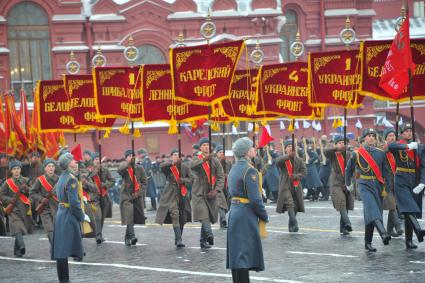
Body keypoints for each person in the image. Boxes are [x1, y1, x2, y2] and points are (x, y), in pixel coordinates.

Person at [226, 137, 268, 283]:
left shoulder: (233, 168)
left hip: (234, 211)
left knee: (236, 254)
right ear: (246, 151)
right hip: (245, 213)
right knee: (243, 254)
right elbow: (256, 199)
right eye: (252, 147)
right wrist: (264, 215)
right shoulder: (250, 171)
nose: (254, 149)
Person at [346, 128, 392, 252]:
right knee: (372, 208)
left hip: (377, 186)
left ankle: (368, 242)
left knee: (371, 213)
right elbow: (349, 169)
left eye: (373, 135)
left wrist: (387, 186)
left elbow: (385, 171)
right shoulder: (357, 153)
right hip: (364, 184)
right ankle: (383, 233)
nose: (371, 137)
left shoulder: (380, 153)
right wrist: (347, 184)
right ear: (364, 138)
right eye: (369, 135)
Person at [388, 123, 425, 249]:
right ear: (402, 133)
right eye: (406, 131)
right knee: (408, 207)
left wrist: (422, 182)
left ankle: (409, 240)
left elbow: (424, 167)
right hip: (401, 179)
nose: (409, 133)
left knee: (412, 209)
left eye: (411, 131)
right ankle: (418, 230)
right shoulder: (399, 145)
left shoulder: (420, 147)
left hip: (415, 180)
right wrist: (408, 146)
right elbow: (391, 146)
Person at [52, 153, 87, 283]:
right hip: (68, 215)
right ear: (67, 164)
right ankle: (65, 280)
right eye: (73, 161)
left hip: (61, 213)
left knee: (61, 250)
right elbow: (73, 202)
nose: (76, 162)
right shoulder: (71, 179)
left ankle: (63, 279)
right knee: (67, 248)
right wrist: (82, 216)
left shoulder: (62, 177)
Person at [191, 137, 225, 249]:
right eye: (204, 144)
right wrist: (205, 160)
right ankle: (210, 235)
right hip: (199, 192)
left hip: (211, 192)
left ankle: (203, 240)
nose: (206, 146)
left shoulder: (215, 160)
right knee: (203, 214)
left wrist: (216, 190)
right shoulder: (196, 157)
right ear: (200, 147)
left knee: (208, 216)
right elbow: (193, 165)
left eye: (207, 144)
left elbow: (221, 177)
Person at [155, 149, 192, 247]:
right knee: (174, 214)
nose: (177, 156)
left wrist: (183, 180)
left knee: (182, 218)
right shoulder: (169, 166)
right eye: (175, 155)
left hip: (182, 194)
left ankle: (178, 238)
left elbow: (192, 179)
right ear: (171, 156)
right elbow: (161, 167)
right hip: (171, 194)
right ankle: (179, 239)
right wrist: (173, 163)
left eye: (178, 155)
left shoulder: (185, 167)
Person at [0, 160, 33, 257]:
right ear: (11, 171)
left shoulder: (26, 181)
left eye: (18, 168)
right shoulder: (7, 183)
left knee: (20, 229)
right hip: (13, 209)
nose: (16, 171)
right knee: (18, 228)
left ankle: (16, 250)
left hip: (24, 209)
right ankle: (22, 246)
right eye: (14, 169)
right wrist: (11, 200)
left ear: (20, 169)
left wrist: (27, 190)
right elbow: (1, 195)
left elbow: (32, 192)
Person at [325, 136, 354, 235]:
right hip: (336, 182)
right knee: (341, 202)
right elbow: (326, 151)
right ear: (336, 144)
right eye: (340, 142)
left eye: (344, 142)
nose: (342, 144)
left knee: (346, 204)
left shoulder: (349, 154)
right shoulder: (333, 154)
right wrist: (337, 149)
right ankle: (348, 223)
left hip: (346, 182)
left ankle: (343, 227)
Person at [275, 140, 307, 232]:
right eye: (288, 146)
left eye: (292, 146)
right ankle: (295, 222)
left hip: (296, 185)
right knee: (290, 203)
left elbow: (304, 172)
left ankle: (291, 224)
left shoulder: (299, 160)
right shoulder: (283, 159)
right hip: (285, 184)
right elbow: (277, 163)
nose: (290, 147)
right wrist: (288, 156)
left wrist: (296, 176)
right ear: (285, 149)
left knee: (295, 205)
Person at [118, 149, 147, 246]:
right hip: (126, 195)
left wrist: (139, 193)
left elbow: (144, 182)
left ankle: (127, 237)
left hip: (137, 196)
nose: (131, 157)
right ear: (126, 158)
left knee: (132, 217)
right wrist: (129, 164)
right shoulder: (124, 167)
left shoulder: (140, 168)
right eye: (129, 156)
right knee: (129, 214)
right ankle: (133, 236)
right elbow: (120, 170)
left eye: (132, 155)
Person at [29, 158, 59, 247]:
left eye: (53, 166)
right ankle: (54, 248)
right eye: (49, 166)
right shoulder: (40, 180)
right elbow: (32, 192)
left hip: (57, 208)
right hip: (45, 209)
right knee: (50, 230)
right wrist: (41, 199)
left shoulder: (59, 179)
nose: (51, 168)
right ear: (45, 168)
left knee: (57, 230)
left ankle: (54, 249)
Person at [381, 128, 403, 237]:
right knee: (392, 204)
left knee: (392, 205)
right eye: (389, 135)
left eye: (394, 135)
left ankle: (389, 230)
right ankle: (398, 227)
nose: (392, 137)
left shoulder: (396, 150)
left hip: (396, 181)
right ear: (385, 138)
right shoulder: (382, 150)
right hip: (385, 183)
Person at [92, 153, 114, 243]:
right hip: (94, 196)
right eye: (96, 159)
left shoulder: (105, 170)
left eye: (99, 159)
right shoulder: (90, 170)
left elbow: (112, 180)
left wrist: (105, 185)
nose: (97, 160)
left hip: (104, 196)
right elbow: (86, 179)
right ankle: (98, 235)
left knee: (102, 217)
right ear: (93, 161)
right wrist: (96, 171)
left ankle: (99, 233)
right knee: (97, 216)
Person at [216, 145, 232, 228]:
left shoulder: (228, 163)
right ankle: (223, 219)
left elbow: (231, 173)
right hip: (218, 185)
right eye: (220, 152)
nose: (221, 153)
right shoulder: (214, 162)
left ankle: (222, 220)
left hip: (227, 185)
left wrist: (227, 175)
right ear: (216, 153)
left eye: (223, 152)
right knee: (220, 203)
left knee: (227, 205)